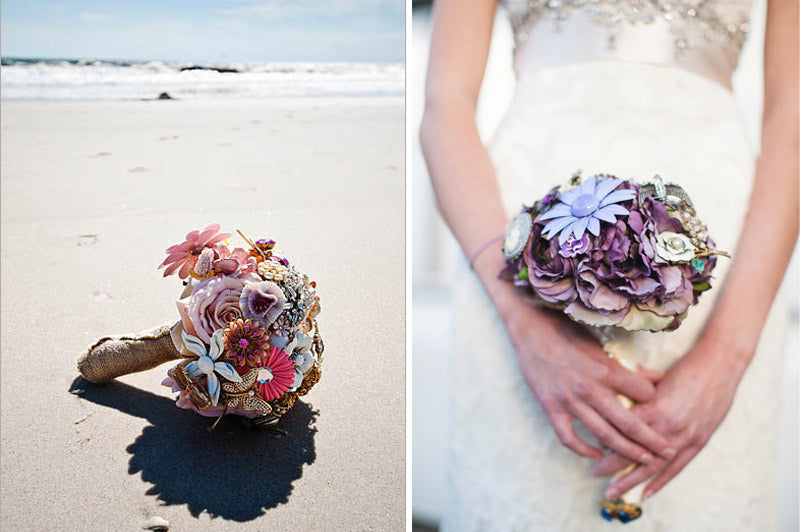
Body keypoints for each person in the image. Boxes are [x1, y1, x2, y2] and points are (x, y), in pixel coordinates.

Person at [420, 0, 797, 529]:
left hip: (723, 274)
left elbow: (794, 111)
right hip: (515, 259)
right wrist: (524, 323)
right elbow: (445, 105)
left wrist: (727, 354)